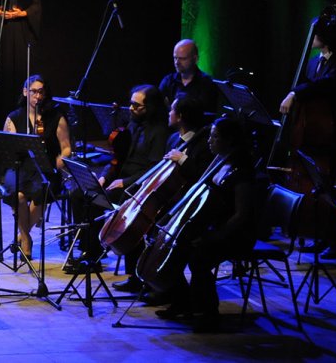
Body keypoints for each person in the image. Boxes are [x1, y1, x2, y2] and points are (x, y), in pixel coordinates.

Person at [155, 117, 265, 333]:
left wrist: (212, 237)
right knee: (177, 247)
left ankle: (208, 314)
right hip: (216, 228)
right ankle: (183, 302)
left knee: (199, 258)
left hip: (237, 234)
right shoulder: (220, 161)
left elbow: (240, 216)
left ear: (230, 140)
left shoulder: (241, 171)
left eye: (215, 137)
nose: (209, 141)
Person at [113, 96, 211, 294]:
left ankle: (163, 286)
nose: (169, 113)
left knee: (148, 227)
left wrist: (183, 159)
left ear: (180, 116)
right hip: (166, 198)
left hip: (183, 203)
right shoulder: (174, 139)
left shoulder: (201, 144)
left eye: (172, 110)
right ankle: (137, 278)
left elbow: (202, 176)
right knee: (135, 222)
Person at [72, 85, 169, 269]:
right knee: (78, 194)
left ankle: (94, 255)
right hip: (120, 179)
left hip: (137, 186)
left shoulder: (159, 132)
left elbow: (154, 169)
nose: (131, 108)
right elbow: (117, 158)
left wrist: (124, 182)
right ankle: (87, 249)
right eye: (131, 104)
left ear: (150, 108)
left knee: (96, 201)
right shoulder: (132, 124)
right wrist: (104, 177)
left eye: (136, 105)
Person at [278, 14, 336, 185]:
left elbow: (325, 83)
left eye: (315, 33)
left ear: (327, 37)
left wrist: (294, 94)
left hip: (332, 133)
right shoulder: (313, 62)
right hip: (311, 131)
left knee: (329, 179)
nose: (311, 37)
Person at [1, 76, 71, 258]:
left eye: (41, 92)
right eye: (33, 91)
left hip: (45, 166)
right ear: (25, 92)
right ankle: (26, 238)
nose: (37, 96)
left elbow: (66, 146)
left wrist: (62, 158)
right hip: (20, 166)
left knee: (43, 191)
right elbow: (8, 146)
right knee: (18, 195)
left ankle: (23, 236)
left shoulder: (56, 116)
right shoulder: (15, 117)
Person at [158, 39, 222, 116]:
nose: (177, 62)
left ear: (195, 59)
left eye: (182, 58)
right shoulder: (168, 80)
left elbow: (207, 114)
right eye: (175, 58)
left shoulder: (207, 83)